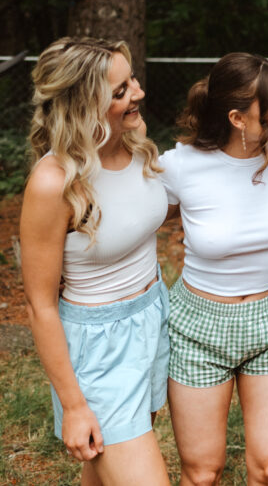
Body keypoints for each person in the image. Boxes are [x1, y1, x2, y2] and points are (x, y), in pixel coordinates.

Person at [159, 53, 268, 486]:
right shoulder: (178, 166)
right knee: (202, 473)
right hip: (198, 328)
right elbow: (138, 224)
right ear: (237, 117)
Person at [20, 37, 171, 485]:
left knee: (104, 473)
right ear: (85, 103)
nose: (138, 93)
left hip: (151, 318)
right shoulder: (54, 183)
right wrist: (74, 405)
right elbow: (40, 305)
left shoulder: (135, 141)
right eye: (121, 90)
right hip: (99, 349)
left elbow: (130, 218)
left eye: (133, 81)